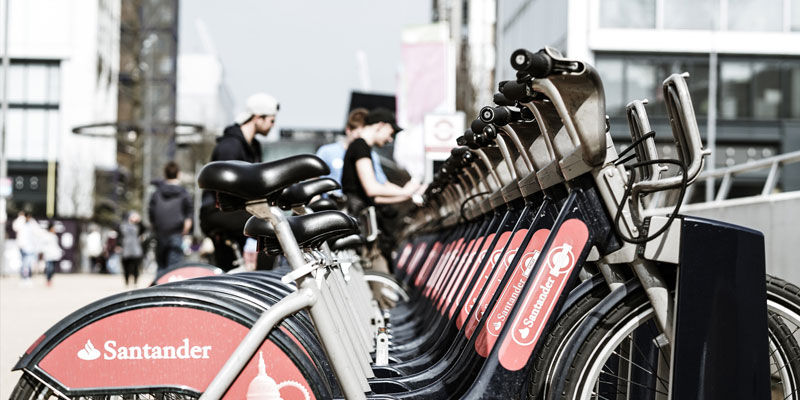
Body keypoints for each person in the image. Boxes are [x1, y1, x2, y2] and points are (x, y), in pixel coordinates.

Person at [199, 92, 279, 271]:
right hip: (218, 210)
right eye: (271, 120)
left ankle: (254, 283)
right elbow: (224, 188)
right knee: (271, 228)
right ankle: (263, 283)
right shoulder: (230, 146)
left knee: (228, 269)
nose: (273, 125)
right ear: (258, 118)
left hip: (236, 210)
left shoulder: (254, 147)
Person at [340, 108, 422, 214]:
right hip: (356, 215)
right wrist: (406, 191)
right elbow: (372, 189)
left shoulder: (361, 147)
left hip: (357, 213)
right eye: (391, 133)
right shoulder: (360, 146)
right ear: (381, 125)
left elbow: (374, 198)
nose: (390, 139)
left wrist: (408, 194)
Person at [316, 108, 388, 190]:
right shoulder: (327, 152)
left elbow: (382, 182)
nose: (360, 141)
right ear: (348, 130)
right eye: (357, 136)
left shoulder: (371, 156)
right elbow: (314, 179)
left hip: (356, 201)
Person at [149, 161, 193, 270]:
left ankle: (160, 286)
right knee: (174, 268)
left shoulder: (157, 192)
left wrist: (154, 225)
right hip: (177, 231)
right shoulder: (183, 192)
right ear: (178, 174)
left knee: (161, 266)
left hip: (160, 232)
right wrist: (187, 227)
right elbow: (189, 211)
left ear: (165, 174)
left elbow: (151, 211)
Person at [12, 211, 40, 284]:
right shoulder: (21, 222)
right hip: (22, 246)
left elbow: (37, 232)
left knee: (27, 263)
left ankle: (26, 276)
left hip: (30, 247)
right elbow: (15, 227)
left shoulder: (32, 223)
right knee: (24, 262)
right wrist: (20, 217)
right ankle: (24, 277)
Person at [119, 211, 144, 287]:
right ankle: (126, 282)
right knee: (126, 266)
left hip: (136, 248)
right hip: (125, 248)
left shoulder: (138, 226)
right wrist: (118, 245)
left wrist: (139, 221)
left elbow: (144, 229)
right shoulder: (122, 225)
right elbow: (119, 236)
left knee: (136, 266)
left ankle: (135, 282)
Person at [41, 222, 62, 287]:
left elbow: (56, 246)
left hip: (54, 255)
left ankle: (50, 279)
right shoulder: (46, 236)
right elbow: (43, 245)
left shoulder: (55, 236)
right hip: (48, 255)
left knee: (52, 269)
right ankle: (48, 280)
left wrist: (59, 252)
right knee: (49, 268)